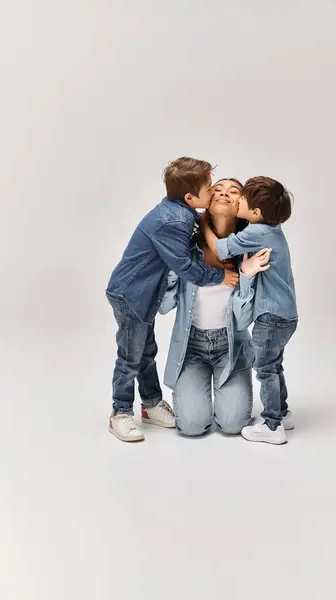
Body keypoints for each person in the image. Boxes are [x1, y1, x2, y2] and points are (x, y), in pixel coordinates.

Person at [106, 158, 239, 443]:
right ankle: (120, 412)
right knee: (131, 357)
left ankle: (151, 403)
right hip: (131, 294)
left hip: (144, 294)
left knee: (145, 352)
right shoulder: (175, 220)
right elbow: (186, 267)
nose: (214, 189)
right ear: (191, 198)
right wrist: (220, 278)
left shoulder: (183, 212)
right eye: (208, 187)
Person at [159, 179, 271, 437]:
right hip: (192, 347)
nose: (223, 193)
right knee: (191, 426)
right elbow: (164, 306)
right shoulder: (187, 248)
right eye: (217, 189)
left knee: (232, 425)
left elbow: (244, 321)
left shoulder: (251, 252)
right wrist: (176, 267)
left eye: (233, 192)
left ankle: (226, 399)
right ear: (207, 201)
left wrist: (245, 275)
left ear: (242, 205)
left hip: (231, 348)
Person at [202, 176, 297, 445]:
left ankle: (271, 425)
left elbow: (220, 249)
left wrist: (204, 224)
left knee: (265, 368)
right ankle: (283, 412)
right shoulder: (274, 230)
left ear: (255, 213)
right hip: (287, 314)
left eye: (241, 197)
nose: (237, 198)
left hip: (271, 315)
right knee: (274, 365)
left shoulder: (256, 232)